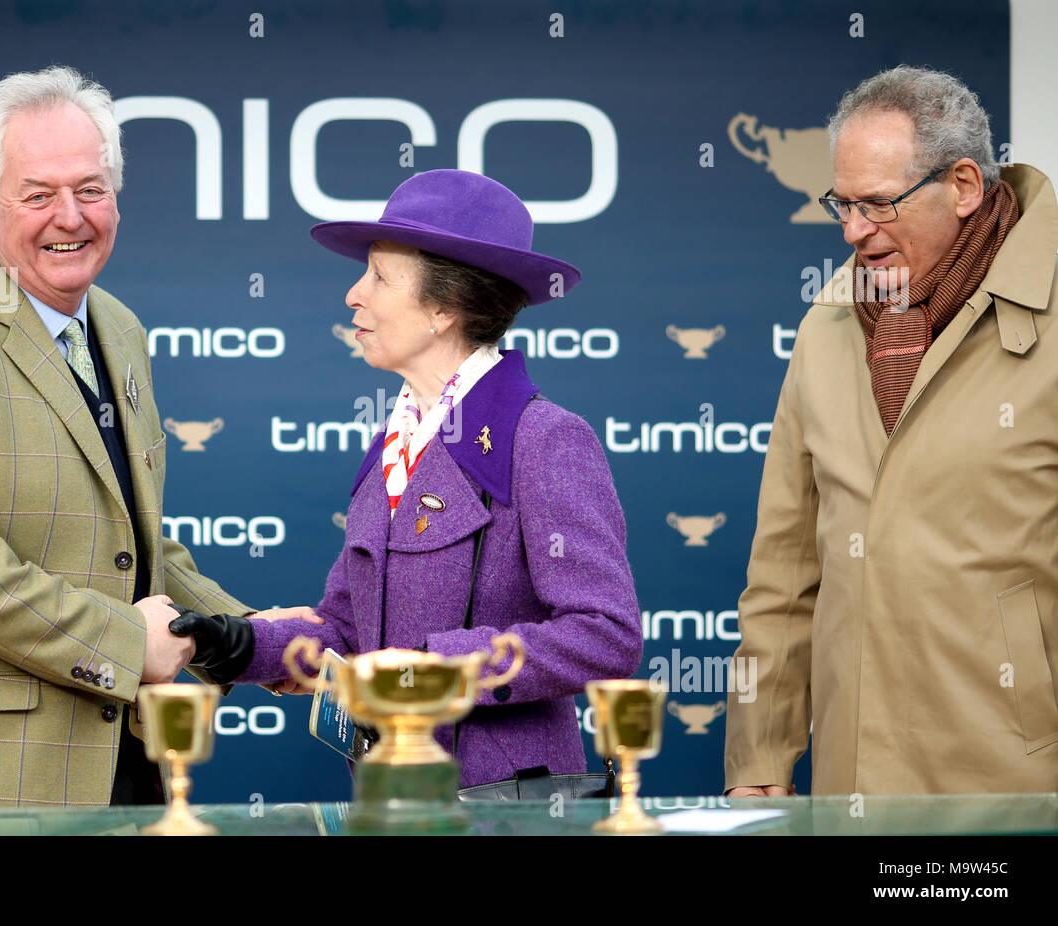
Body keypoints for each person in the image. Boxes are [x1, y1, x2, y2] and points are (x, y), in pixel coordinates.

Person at [0, 66, 308, 809]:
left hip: (114, 764)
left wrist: (252, 636)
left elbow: (135, 548)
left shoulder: (117, 327)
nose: (69, 217)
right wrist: (124, 641)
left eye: (90, 189)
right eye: (38, 194)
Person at [179, 169, 643, 790]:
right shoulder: (394, 442)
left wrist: (435, 674)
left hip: (505, 808)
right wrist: (239, 644)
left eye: (378, 276)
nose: (353, 294)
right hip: (391, 799)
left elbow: (605, 635)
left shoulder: (545, 438)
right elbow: (346, 636)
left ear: (444, 309)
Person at [725, 66, 1058, 796]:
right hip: (853, 790)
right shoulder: (827, 323)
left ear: (965, 186)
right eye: (840, 205)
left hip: (1016, 789)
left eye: (877, 205)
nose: (852, 233)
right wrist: (758, 761)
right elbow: (783, 574)